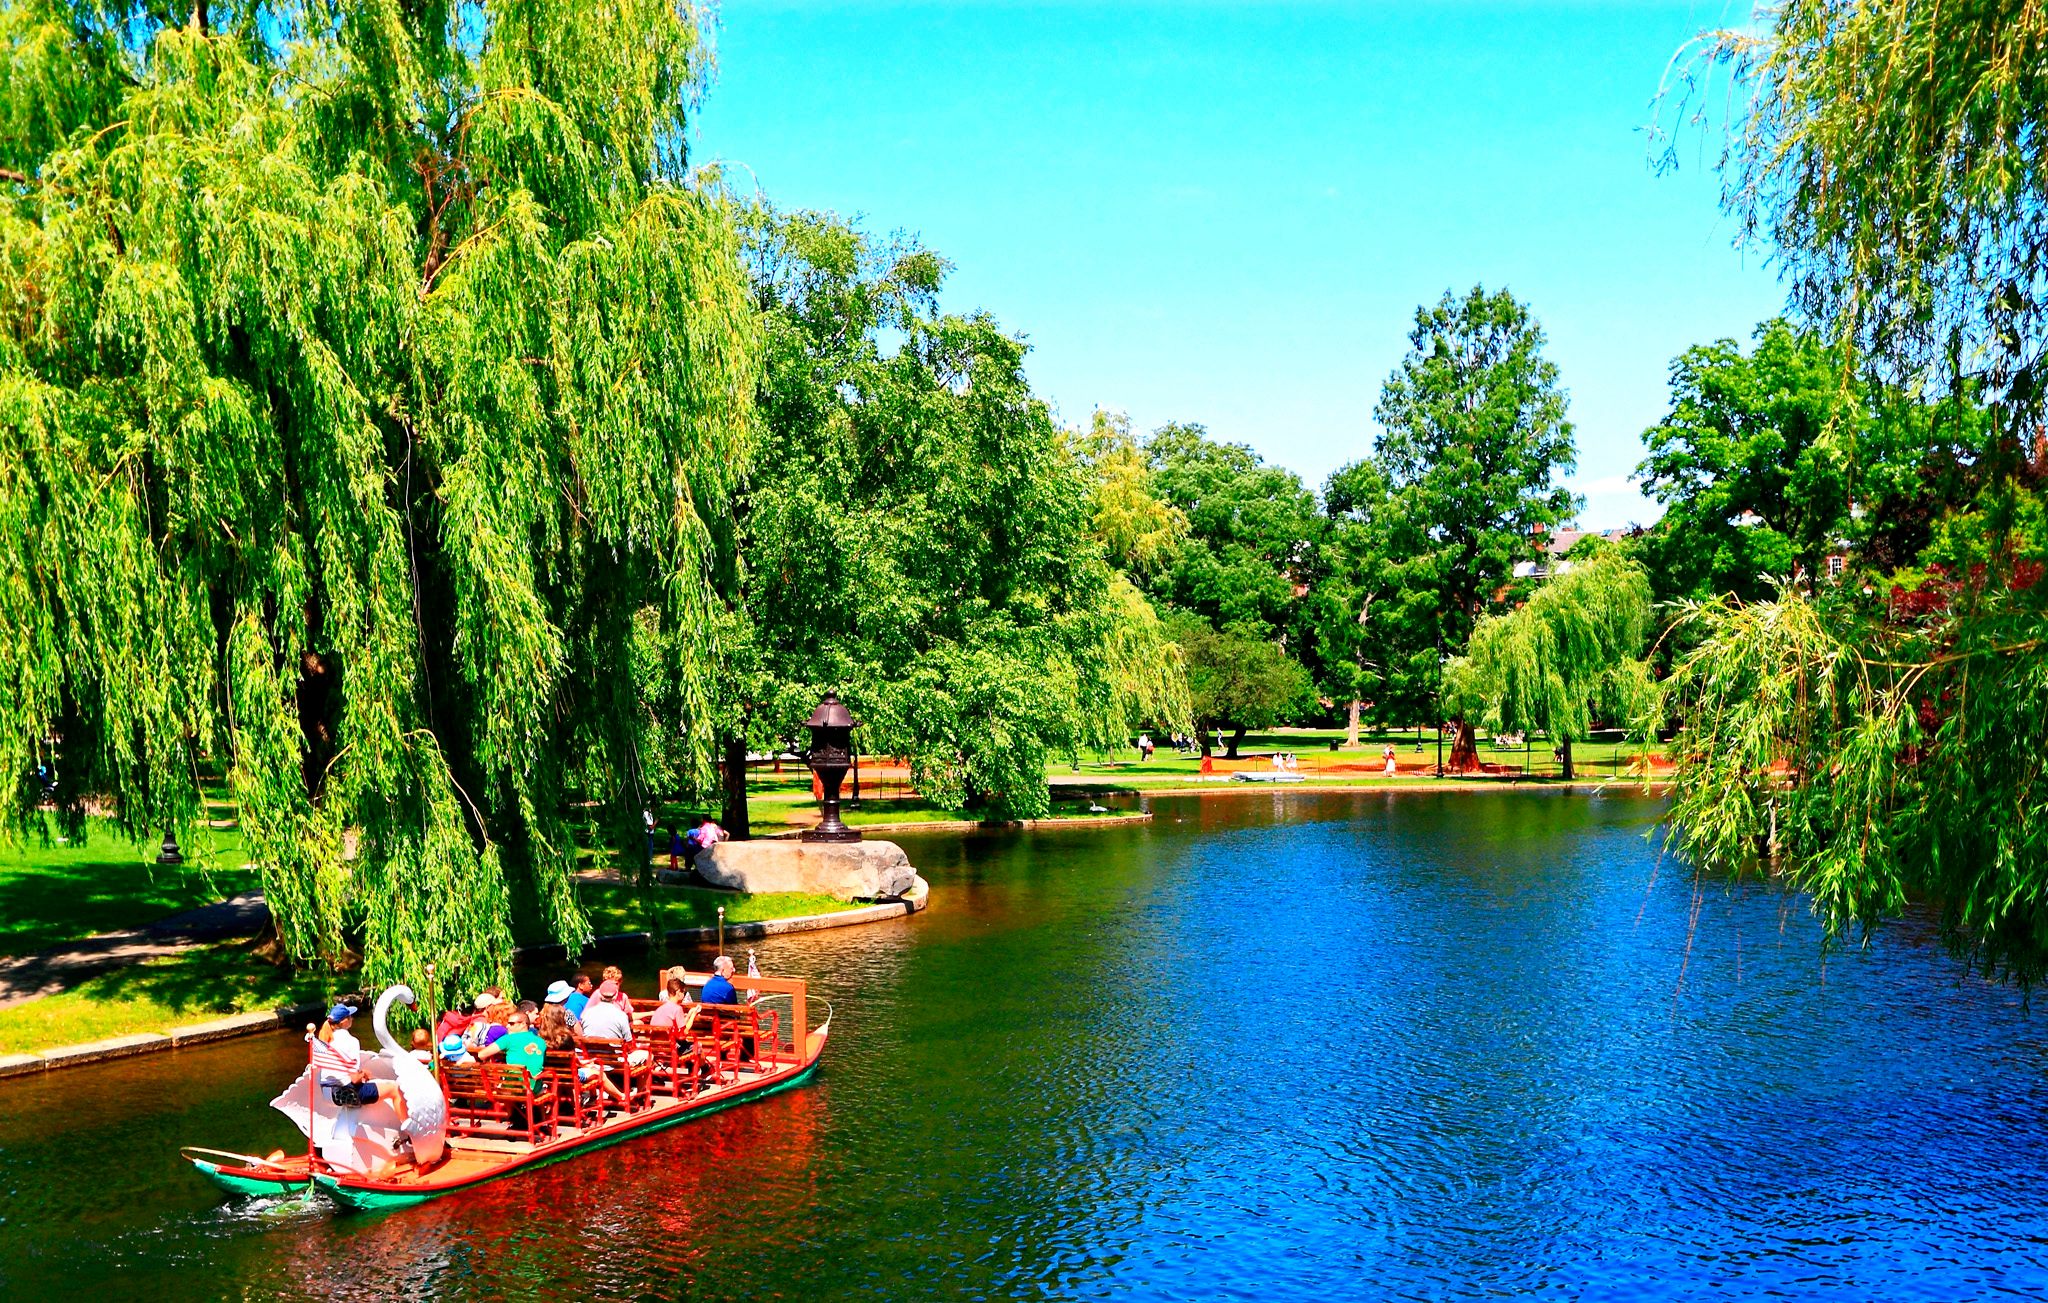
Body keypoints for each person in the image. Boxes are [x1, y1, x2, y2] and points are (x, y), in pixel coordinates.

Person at [493, 1008, 548, 1085]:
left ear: (523, 1024)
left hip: (511, 1088)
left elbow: (481, 1055)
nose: (507, 1026)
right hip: (533, 1089)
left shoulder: (507, 1039)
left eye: (511, 1024)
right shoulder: (540, 1041)